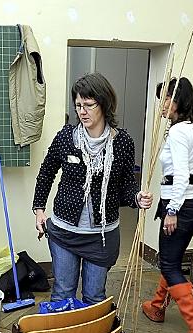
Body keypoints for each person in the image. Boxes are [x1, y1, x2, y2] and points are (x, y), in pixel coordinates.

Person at [33, 73, 153, 305]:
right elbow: (47, 172)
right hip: (64, 232)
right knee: (62, 293)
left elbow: (127, 186)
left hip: (102, 236)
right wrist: (39, 208)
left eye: (89, 105)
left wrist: (138, 198)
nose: (82, 111)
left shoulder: (122, 142)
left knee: (94, 296)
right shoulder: (67, 137)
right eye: (78, 105)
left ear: (104, 104)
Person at [141, 77, 193, 333]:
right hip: (192, 205)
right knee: (171, 260)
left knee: (169, 265)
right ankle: (158, 306)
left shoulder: (179, 132)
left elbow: (181, 175)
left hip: (180, 206)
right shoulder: (192, 129)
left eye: (165, 99)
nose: (161, 104)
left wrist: (172, 209)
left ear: (178, 101)